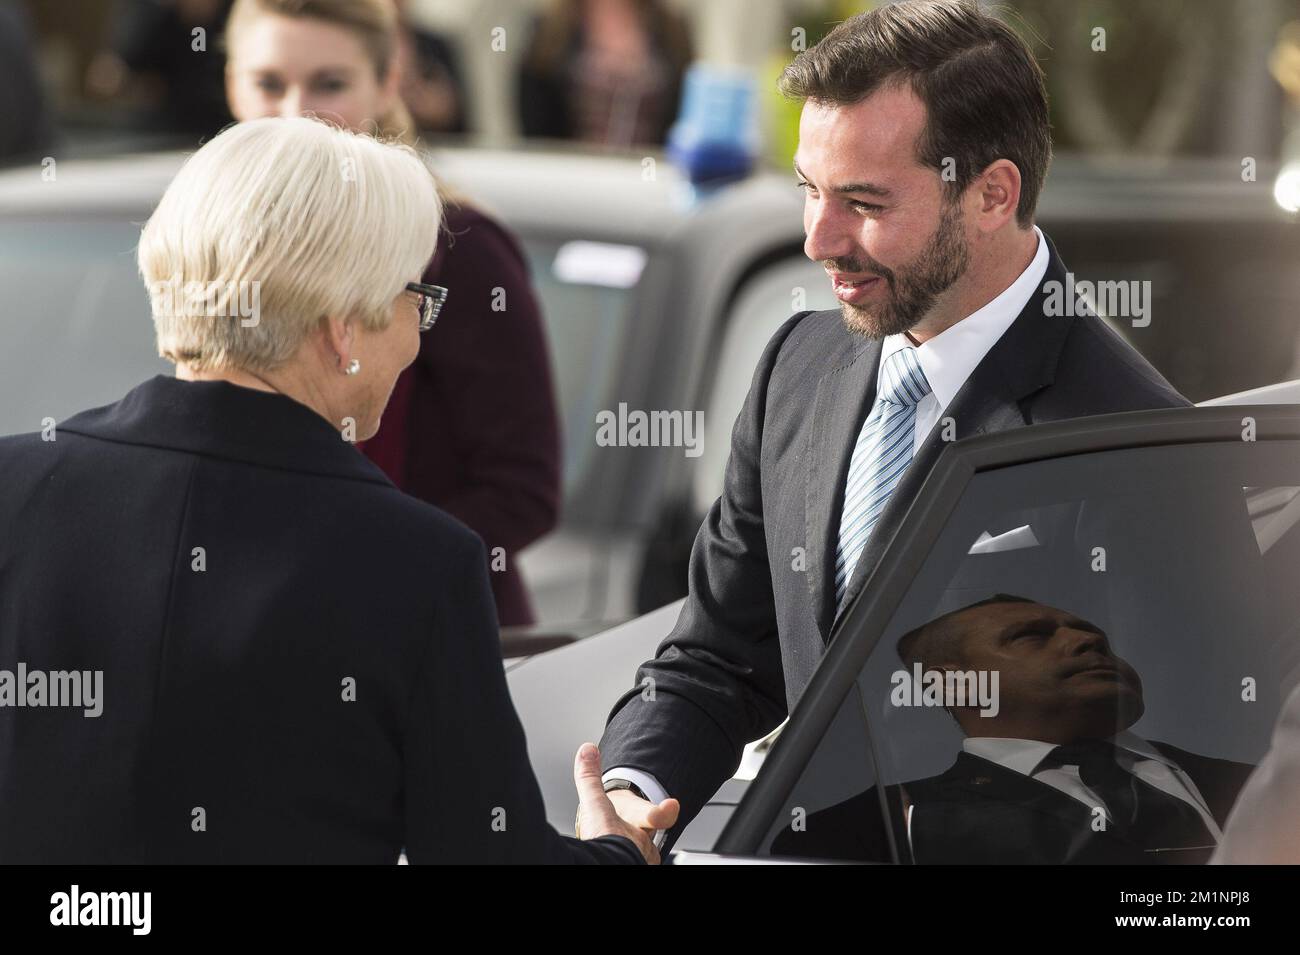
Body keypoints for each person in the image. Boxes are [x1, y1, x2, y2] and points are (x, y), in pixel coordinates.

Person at [592, 0, 1191, 853]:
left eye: (863, 202)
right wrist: (632, 795)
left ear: (992, 194)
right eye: (810, 191)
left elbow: (1184, 776)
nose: (818, 239)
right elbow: (723, 657)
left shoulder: (1136, 441)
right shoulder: (795, 368)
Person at [0, 117, 674, 863]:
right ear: (343, 328)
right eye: (416, 296)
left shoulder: (14, 488)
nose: (421, 329)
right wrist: (622, 853)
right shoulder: (419, 563)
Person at [224, 0, 562, 627]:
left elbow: (524, 492)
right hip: (257, 625)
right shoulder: (211, 244)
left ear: (387, 81)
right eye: (268, 83)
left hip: (428, 634)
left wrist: (353, 560)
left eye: (330, 83)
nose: (296, 112)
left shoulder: (459, 247)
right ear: (230, 84)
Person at [774, 596, 1254, 864]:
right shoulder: (870, 832)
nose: (1088, 639)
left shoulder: (1269, 779)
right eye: (1033, 636)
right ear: (951, 683)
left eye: (1095, 634)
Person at [518, 0, 693, 148]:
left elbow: (686, 116)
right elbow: (535, 132)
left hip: (647, 179)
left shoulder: (673, 30)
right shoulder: (549, 32)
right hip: (566, 177)